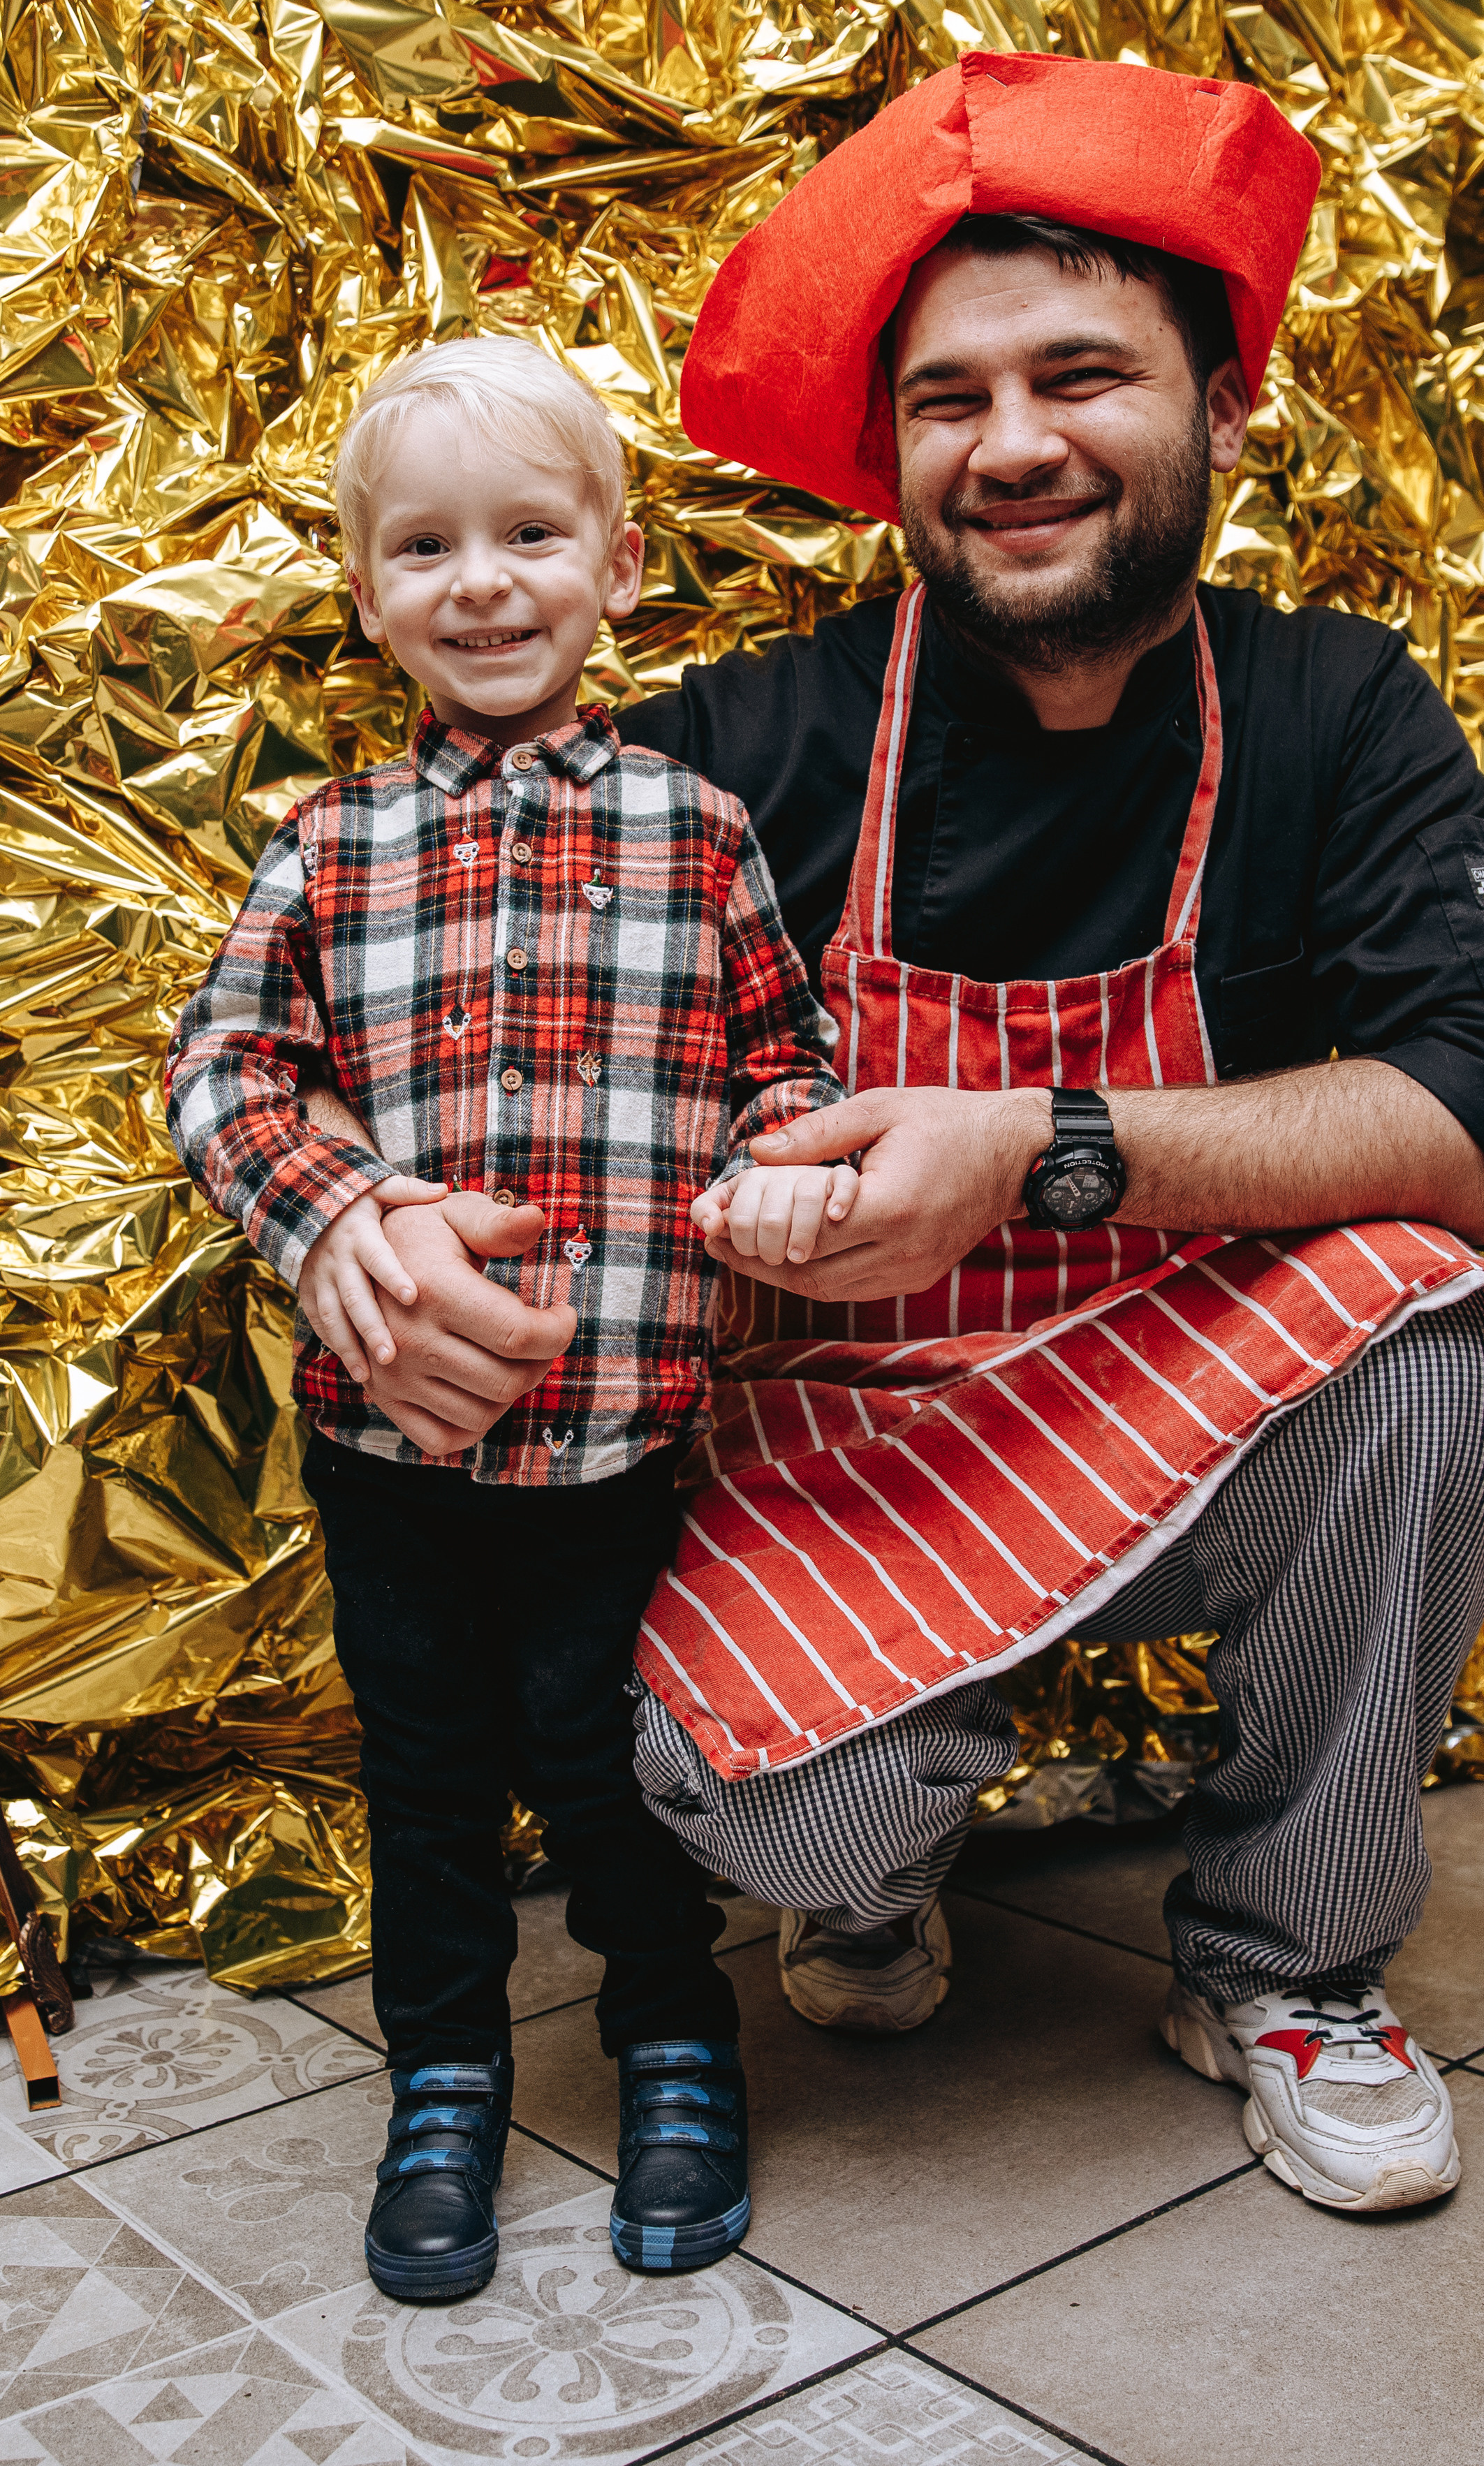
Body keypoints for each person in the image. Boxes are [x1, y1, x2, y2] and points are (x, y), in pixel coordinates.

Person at [309, 57, 1484, 2222]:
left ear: (1222, 404)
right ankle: (872, 1858)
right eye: (946, 401)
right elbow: (439, 1021)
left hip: (1205, 1420)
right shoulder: (746, 745)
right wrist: (352, 1220)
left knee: (1443, 1332)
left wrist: (1035, 1149)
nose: (1012, 446)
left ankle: (1288, 1964)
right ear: (893, 456)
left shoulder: (1332, 712)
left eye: (1081, 376)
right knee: (739, 1790)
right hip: (851, 1454)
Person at [164, 336, 854, 2298]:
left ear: (619, 567)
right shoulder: (329, 846)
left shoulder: (697, 836)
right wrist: (338, 1212)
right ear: (370, 592)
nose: (482, 581)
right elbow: (224, 1071)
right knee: (429, 1766)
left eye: (531, 533)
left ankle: (672, 2048)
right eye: (428, 545)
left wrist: (791, 1169)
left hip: (628, 1419)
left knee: (617, 1752)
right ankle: (447, 2072)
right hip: (390, 1439)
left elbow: (785, 1060)